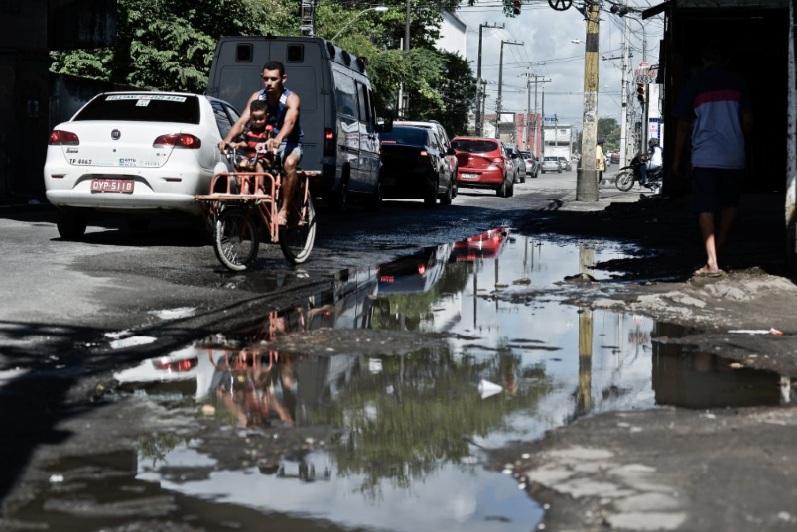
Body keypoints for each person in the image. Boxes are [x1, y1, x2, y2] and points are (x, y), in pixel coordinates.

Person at [672, 40, 753, 277]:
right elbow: (748, 119)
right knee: (730, 203)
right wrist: (739, 140)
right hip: (733, 154)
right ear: (725, 61)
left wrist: (676, 159)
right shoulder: (738, 82)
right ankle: (719, 246)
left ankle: (712, 262)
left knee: (704, 205)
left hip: (705, 156)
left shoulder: (695, 83)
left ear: (703, 60)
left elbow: (682, 126)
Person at [219, 61, 303, 224]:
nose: (269, 83)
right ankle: (251, 198)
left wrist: (278, 139)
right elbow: (242, 122)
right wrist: (227, 140)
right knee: (241, 162)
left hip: (288, 142)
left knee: (289, 163)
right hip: (262, 144)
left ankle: (284, 210)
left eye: (274, 79)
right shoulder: (258, 97)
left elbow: (290, 122)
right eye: (266, 79)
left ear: (283, 79)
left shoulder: (291, 98)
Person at [226, 99, 274, 195]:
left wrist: (265, 144)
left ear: (266, 116)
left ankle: (260, 188)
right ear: (251, 117)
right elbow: (246, 143)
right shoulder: (249, 129)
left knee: (258, 164)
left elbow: (271, 141)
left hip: (264, 158)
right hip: (250, 157)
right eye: (254, 119)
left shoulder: (267, 129)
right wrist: (236, 145)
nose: (258, 121)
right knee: (237, 165)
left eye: (261, 118)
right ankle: (241, 186)